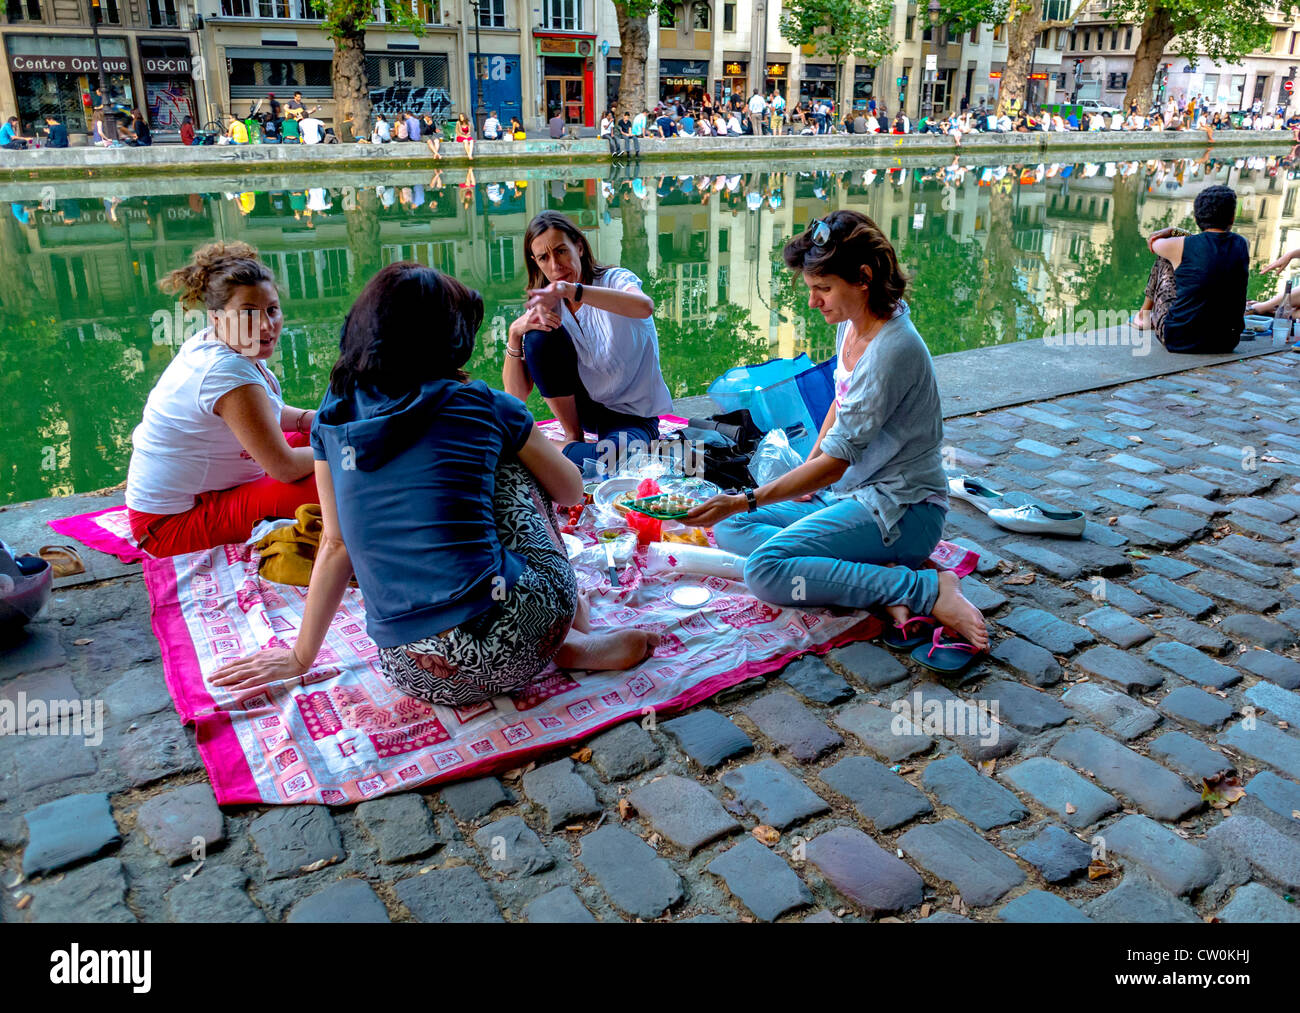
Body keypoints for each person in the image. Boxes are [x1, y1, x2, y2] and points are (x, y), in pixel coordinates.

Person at [210, 262, 660, 705]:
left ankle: (561, 640)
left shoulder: (332, 416)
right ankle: (566, 636)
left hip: (413, 670)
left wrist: (299, 656)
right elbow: (569, 490)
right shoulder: (482, 404)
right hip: (520, 637)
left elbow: (336, 543)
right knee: (505, 459)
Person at [682, 211, 987, 659]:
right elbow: (838, 404)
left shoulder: (892, 349)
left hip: (900, 510)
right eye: (811, 288)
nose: (813, 301)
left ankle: (924, 587)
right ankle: (855, 569)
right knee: (730, 525)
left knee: (765, 570)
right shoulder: (856, 320)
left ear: (863, 278)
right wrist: (804, 471)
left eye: (822, 289)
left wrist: (752, 496)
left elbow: (837, 462)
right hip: (847, 495)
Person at [125, 242, 320, 557]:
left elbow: (260, 412)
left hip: (209, 493)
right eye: (248, 314)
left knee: (322, 435)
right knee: (339, 476)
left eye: (272, 309)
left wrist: (314, 420)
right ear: (216, 317)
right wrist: (347, 445)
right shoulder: (226, 372)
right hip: (169, 527)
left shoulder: (219, 343)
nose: (266, 326)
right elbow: (283, 468)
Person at [502, 211, 672, 469]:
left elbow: (644, 307)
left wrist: (572, 290)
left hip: (633, 417)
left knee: (611, 461)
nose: (555, 266)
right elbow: (515, 396)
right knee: (536, 336)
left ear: (579, 247)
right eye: (544, 258)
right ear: (535, 262)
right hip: (584, 412)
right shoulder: (548, 304)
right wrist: (515, 333)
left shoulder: (614, 279)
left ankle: (532, 446)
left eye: (561, 251)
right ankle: (572, 437)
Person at [1132, 185, 1248, 354]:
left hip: (1179, 339)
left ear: (1196, 217)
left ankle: (1144, 314)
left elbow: (1154, 242)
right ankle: (1145, 315)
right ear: (1231, 218)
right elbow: (1210, 247)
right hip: (1226, 341)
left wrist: (1174, 232)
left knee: (1164, 258)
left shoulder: (1180, 246)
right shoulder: (1242, 243)